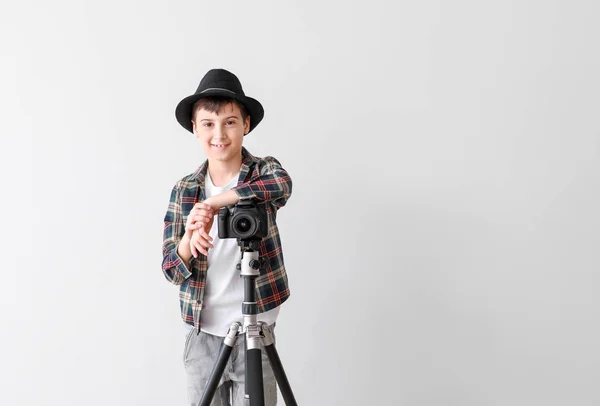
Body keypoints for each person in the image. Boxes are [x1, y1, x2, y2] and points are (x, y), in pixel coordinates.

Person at [161, 68, 292, 406]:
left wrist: (217, 201)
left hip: (257, 328)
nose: (219, 133)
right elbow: (171, 269)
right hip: (204, 332)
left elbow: (282, 184)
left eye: (230, 122)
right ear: (195, 128)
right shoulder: (184, 190)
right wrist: (190, 240)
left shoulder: (262, 171)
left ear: (246, 125)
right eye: (208, 123)